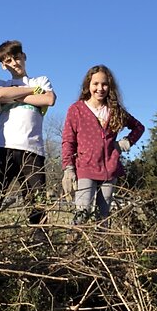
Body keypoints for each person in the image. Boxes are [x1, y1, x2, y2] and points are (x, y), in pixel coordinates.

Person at [0, 40, 56, 225]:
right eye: (8, 60)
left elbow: (49, 99)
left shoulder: (41, 80)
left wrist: (14, 95)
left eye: (16, 57)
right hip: (3, 148)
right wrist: (32, 93)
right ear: (3, 65)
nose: (14, 62)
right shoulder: (2, 83)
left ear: (24, 57)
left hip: (32, 151)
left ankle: (39, 241)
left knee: (36, 203)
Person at [60, 65, 145, 222]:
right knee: (81, 214)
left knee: (103, 218)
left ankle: (102, 246)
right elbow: (68, 140)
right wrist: (68, 168)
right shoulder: (77, 109)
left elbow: (139, 127)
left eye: (104, 84)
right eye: (95, 84)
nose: (100, 88)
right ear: (88, 85)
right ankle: (72, 245)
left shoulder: (115, 110)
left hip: (109, 170)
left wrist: (125, 143)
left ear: (110, 86)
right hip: (85, 167)